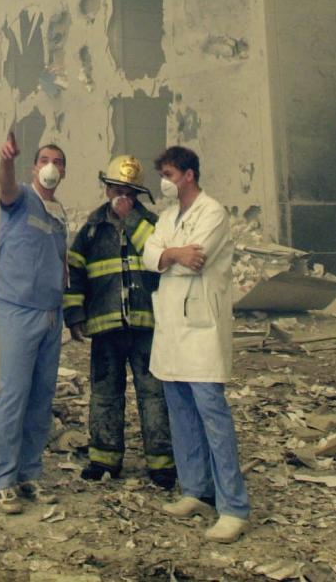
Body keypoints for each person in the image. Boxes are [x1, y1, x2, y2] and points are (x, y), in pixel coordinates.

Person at [143, 146, 250, 544]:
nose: (164, 182)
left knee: (213, 417)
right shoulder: (168, 217)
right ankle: (195, 490)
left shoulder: (213, 212)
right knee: (181, 414)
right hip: (171, 329)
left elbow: (197, 259)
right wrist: (171, 253)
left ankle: (233, 507)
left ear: (188, 175)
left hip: (201, 327)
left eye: (169, 174)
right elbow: (149, 255)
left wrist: (167, 256)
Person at [64, 155, 175, 487]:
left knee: (154, 393)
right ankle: (104, 458)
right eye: (116, 188)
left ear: (138, 194)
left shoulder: (153, 226)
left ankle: (162, 463)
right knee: (104, 394)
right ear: (106, 188)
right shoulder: (91, 230)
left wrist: (131, 222)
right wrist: (74, 315)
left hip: (147, 326)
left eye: (129, 190)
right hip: (105, 327)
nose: (122, 195)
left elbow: (160, 261)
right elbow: (74, 272)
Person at [0, 134, 68, 514]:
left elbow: (60, 261)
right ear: (35, 167)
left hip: (52, 313)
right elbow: (4, 185)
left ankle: (29, 473)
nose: (51, 166)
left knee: (40, 399)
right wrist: (6, 160)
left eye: (58, 161)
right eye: (45, 160)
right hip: (18, 308)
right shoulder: (19, 198)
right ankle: (1, 480)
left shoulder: (59, 214)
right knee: (14, 395)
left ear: (63, 172)